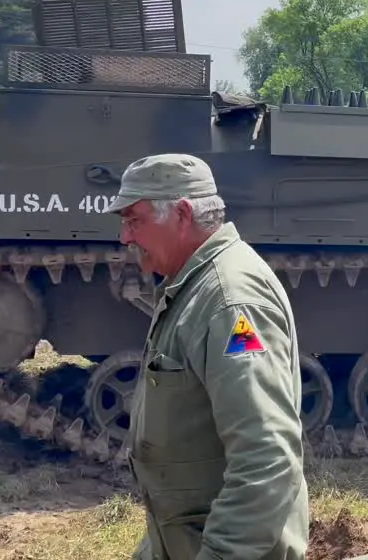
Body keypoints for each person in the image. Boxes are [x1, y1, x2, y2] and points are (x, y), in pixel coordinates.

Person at [108, 153, 308, 560]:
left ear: (181, 214)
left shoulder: (229, 302)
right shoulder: (194, 285)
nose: (126, 237)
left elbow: (267, 457)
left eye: (134, 220)